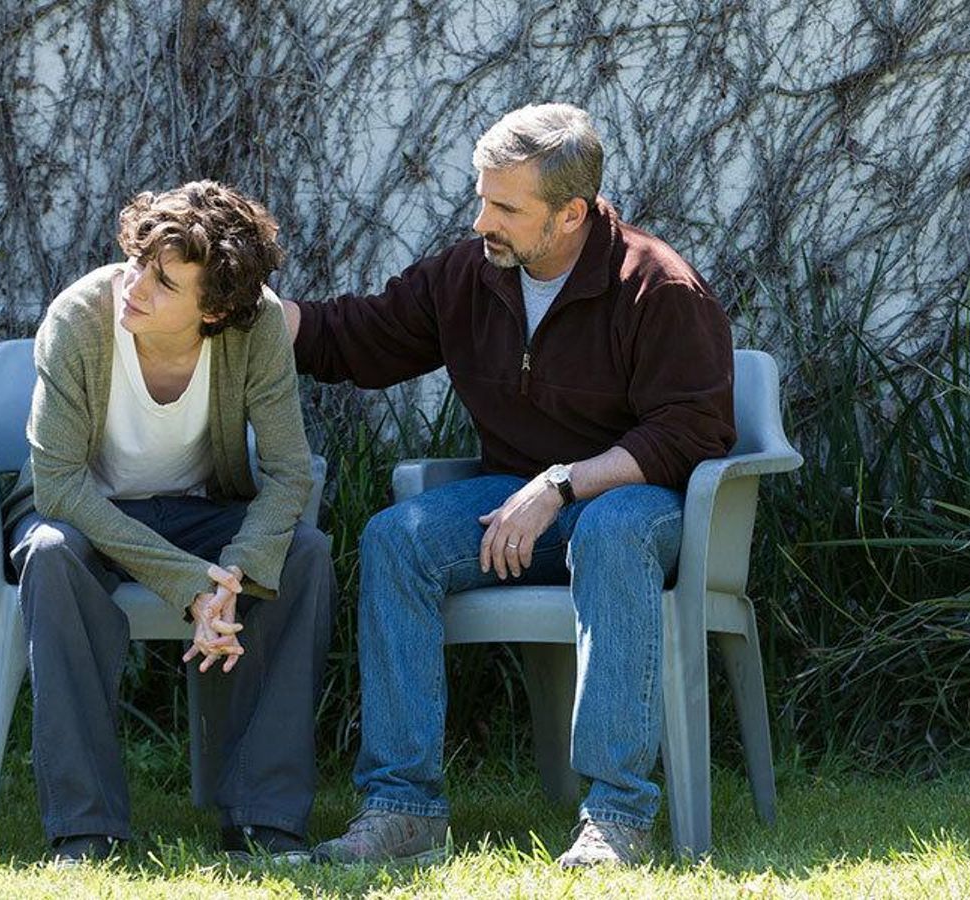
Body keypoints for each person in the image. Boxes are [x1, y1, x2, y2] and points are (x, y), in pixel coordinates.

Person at [287, 104, 736, 868]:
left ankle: (618, 817)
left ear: (571, 213)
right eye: (480, 195)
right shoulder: (473, 274)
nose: (480, 219)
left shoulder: (657, 288)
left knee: (612, 527)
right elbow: (359, 337)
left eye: (503, 206)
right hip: (516, 500)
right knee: (396, 539)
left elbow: (692, 434)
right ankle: (404, 810)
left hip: (642, 505)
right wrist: (256, 314)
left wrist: (560, 485)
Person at [3, 181, 334, 864]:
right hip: (82, 516)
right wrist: (188, 583)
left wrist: (235, 571)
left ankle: (263, 820)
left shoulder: (259, 326)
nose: (135, 286)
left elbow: (289, 472)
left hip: (198, 514)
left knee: (302, 554)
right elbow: (59, 485)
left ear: (213, 311)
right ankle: (84, 830)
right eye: (137, 262)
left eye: (163, 282)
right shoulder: (79, 317)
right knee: (50, 556)